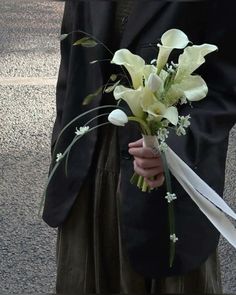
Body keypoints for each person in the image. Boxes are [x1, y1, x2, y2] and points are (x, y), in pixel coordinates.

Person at [42, 0, 236, 293]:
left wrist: (177, 149)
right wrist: (62, 143)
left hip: (168, 183)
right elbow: (73, 60)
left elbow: (227, 83)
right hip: (86, 178)